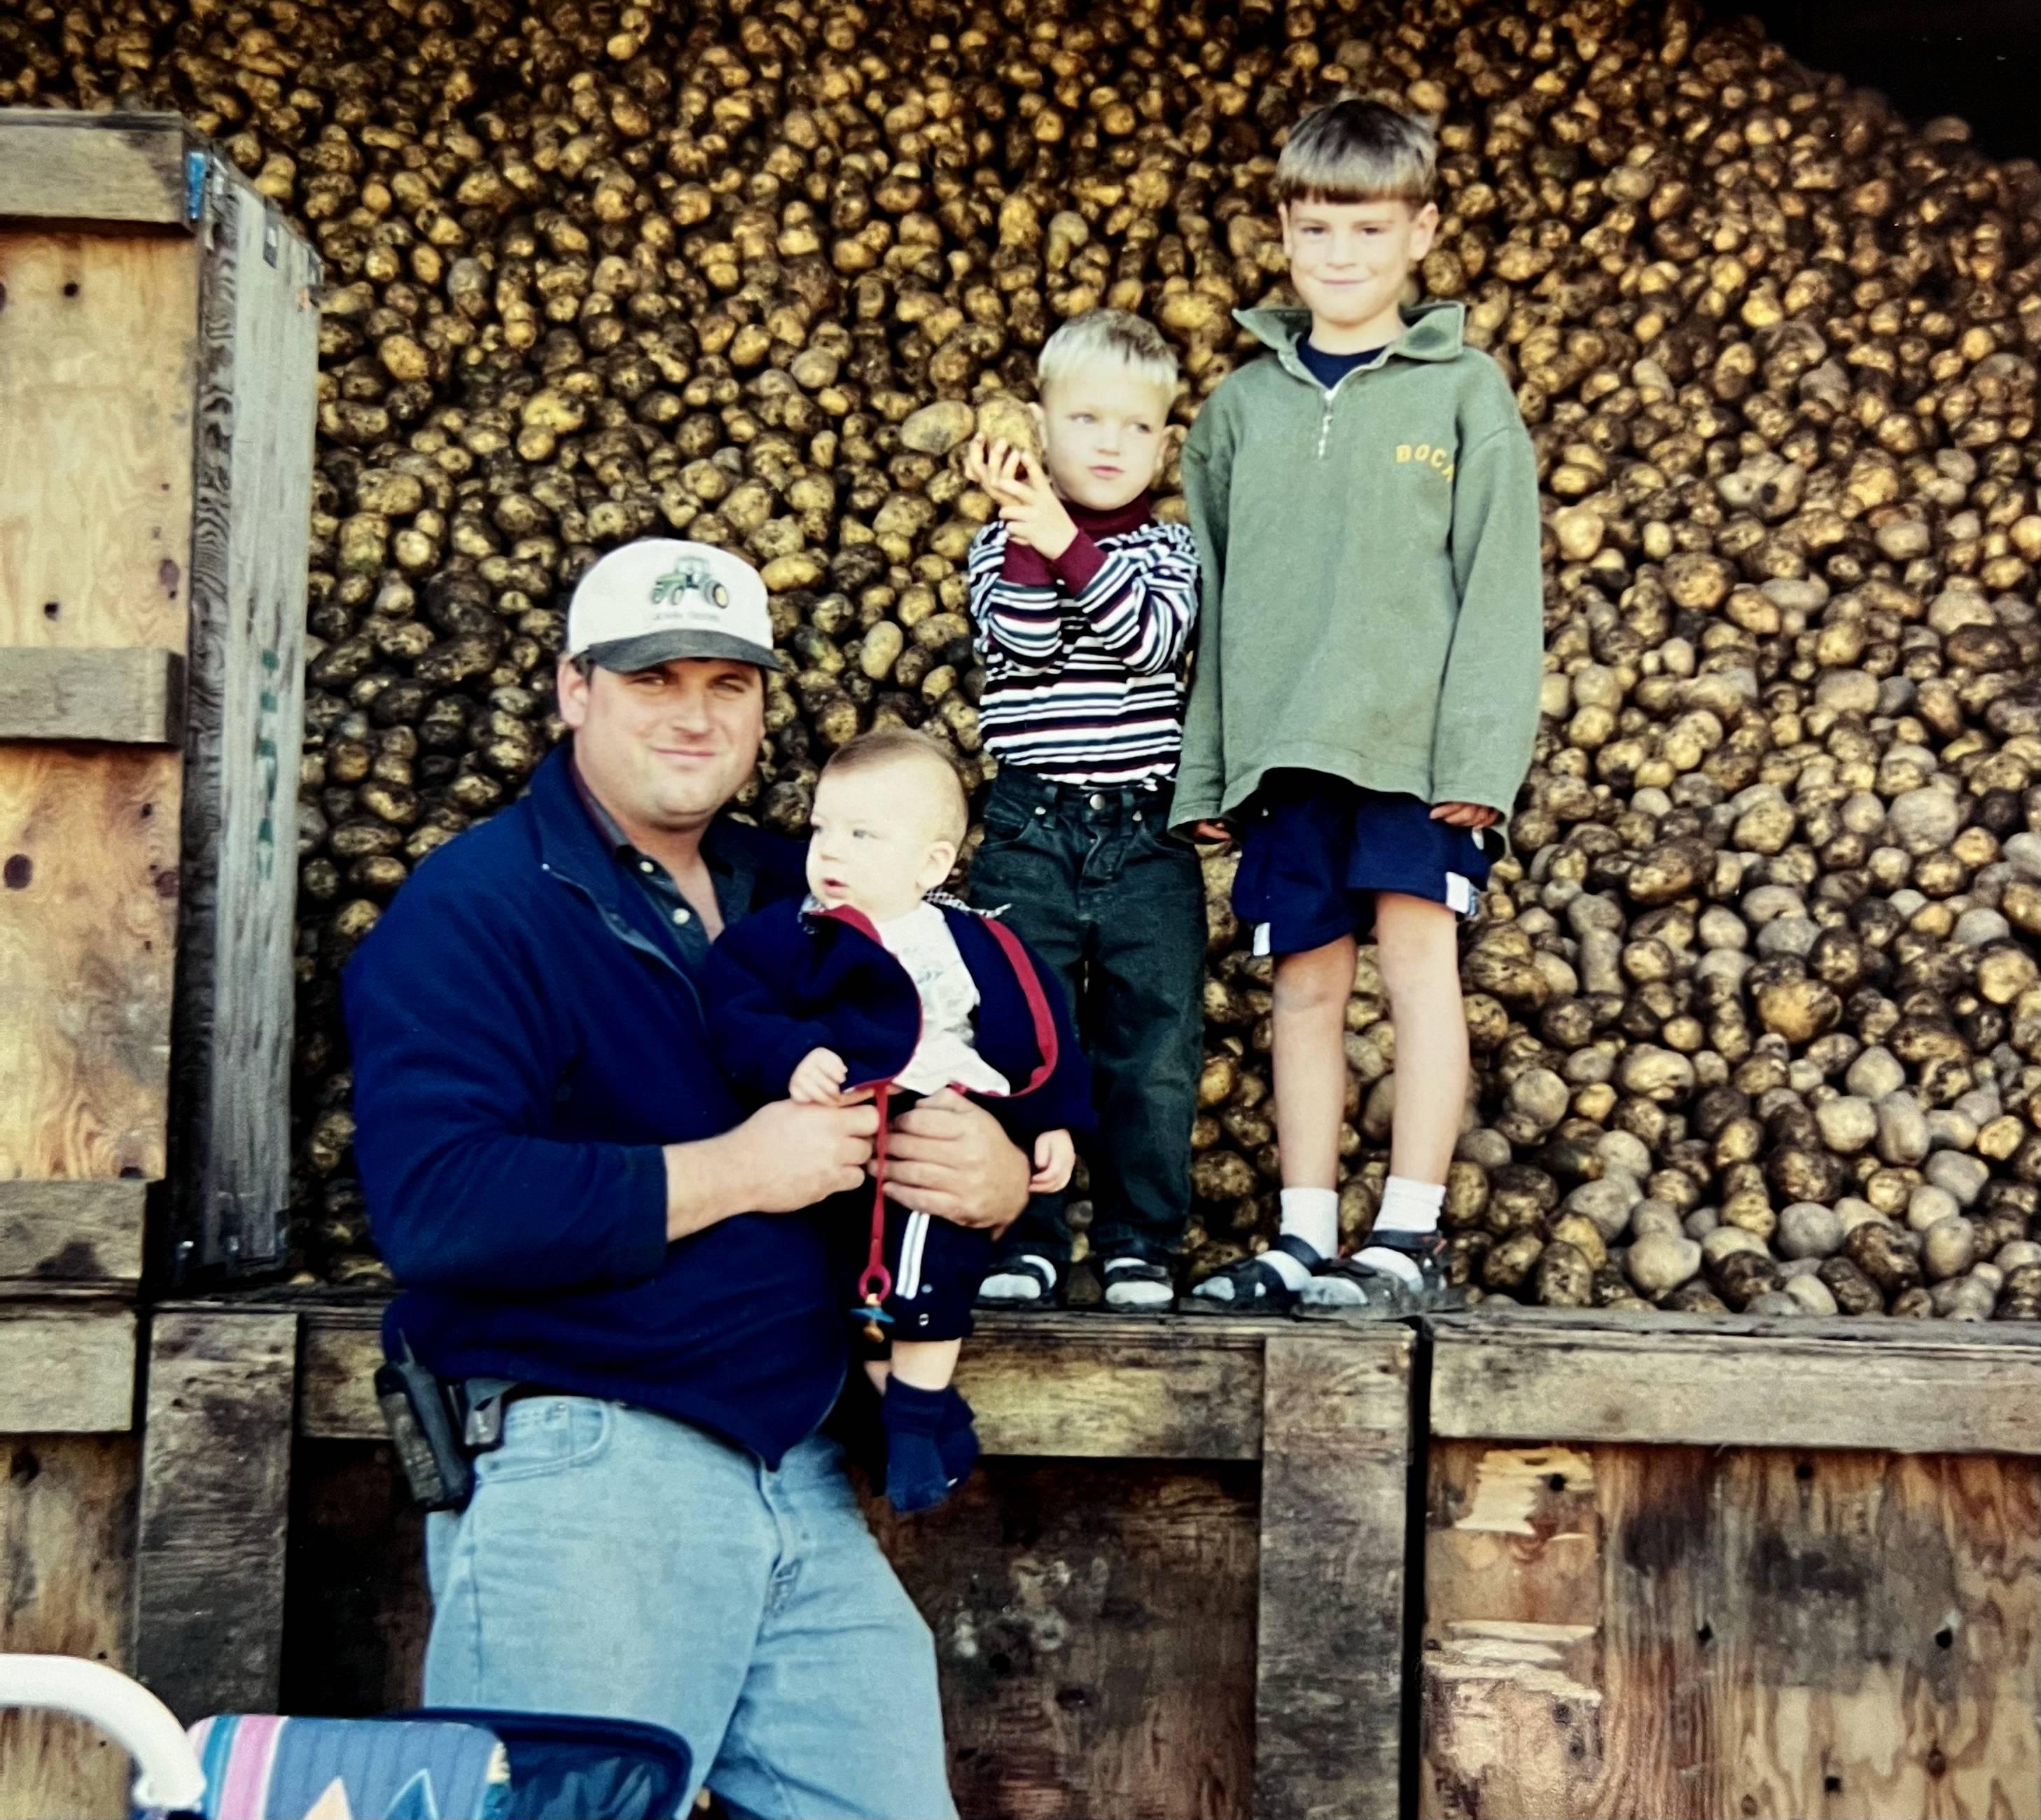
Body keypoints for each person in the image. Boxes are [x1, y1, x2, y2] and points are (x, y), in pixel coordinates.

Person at [342, 537, 1035, 1820]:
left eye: (728, 683)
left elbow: (971, 1040)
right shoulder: (479, 906)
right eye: (651, 678)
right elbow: (440, 1203)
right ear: (573, 689)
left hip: (798, 1470)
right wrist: (736, 1169)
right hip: (591, 1464)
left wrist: (993, 1172)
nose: (695, 713)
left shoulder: (806, 888)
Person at [1169, 99, 1543, 1313]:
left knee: (1420, 964)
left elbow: (1500, 584)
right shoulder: (1236, 411)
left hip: (1413, 750)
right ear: (1283, 230)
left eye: (1370, 230)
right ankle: (1301, 1232)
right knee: (1303, 985)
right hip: (1285, 750)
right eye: (1318, 229)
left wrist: (1479, 755)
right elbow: (1211, 596)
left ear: (1420, 232)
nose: (1341, 255)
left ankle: (1408, 1231)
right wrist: (1209, 770)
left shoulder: (1465, 392)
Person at [705, 729, 1093, 1513]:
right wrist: (789, 1054)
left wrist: (1050, 1119)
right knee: (850, 1285)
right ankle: (922, 1416)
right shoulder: (794, 932)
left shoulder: (972, 941)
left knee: (927, 1264)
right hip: (840, 1129)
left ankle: (913, 1419)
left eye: (862, 835)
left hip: (940, 1122)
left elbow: (1038, 1028)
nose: (829, 851)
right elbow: (733, 1001)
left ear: (930, 864)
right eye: (821, 828)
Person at [960, 308, 1206, 1314]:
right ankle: (1024, 1235)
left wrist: (1064, 540)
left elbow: (1148, 638)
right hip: (1030, 830)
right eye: (1085, 420)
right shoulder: (994, 549)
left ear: (1163, 442)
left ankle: (1137, 1238)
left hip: (1145, 833)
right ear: (1038, 428)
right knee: (1022, 1031)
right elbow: (1021, 643)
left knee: (1154, 1044)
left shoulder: (1170, 551)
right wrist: (1035, 531)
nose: (1110, 444)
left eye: (1134, 426)